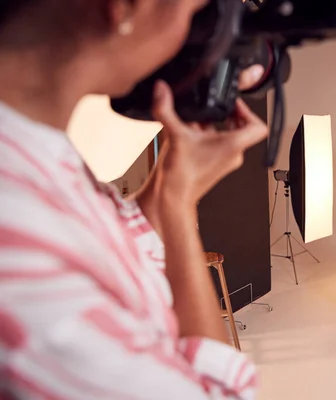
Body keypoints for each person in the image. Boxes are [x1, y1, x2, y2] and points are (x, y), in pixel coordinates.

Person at [0, 1, 269, 398]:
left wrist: (176, 184)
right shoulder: (21, 252)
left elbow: (117, 252)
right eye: (191, 12)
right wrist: (177, 207)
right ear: (128, 7)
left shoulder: (34, 156)